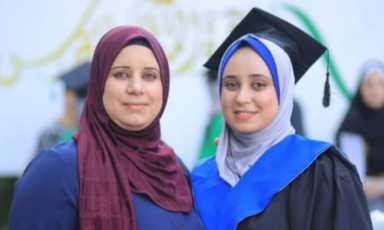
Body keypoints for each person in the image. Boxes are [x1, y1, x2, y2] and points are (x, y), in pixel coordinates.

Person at [191, 8, 373, 230]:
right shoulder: (200, 177)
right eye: (231, 84)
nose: (242, 97)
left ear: (283, 91)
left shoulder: (321, 171)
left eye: (259, 84)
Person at [9, 26, 204, 230]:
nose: (137, 87)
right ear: (99, 83)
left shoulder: (173, 168)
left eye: (149, 76)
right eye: (121, 74)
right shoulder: (57, 170)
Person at [336, 60, 384, 208]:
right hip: (360, 196)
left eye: (380, 84)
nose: (374, 90)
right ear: (360, 88)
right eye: (369, 84)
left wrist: (381, 186)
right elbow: (347, 172)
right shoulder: (351, 124)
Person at [35, 62, 90, 155]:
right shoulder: (49, 136)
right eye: (82, 98)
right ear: (68, 96)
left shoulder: (96, 134)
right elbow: (35, 168)